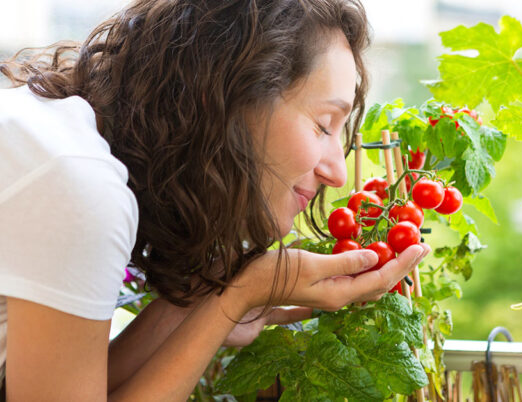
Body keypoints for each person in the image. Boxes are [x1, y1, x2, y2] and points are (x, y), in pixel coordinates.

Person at [0, 0, 429, 399]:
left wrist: (209, 295)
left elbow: (72, 385)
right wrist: (237, 294)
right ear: (230, 97)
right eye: (323, 125)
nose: (338, 172)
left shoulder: (66, 152)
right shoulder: (79, 184)